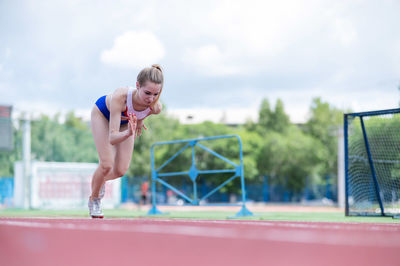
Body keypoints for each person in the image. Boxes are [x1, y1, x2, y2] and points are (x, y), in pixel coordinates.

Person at [88, 64, 164, 218]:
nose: (151, 99)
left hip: (126, 123)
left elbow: (143, 113)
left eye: (156, 94)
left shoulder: (155, 107)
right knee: (107, 164)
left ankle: (99, 180)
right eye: (147, 93)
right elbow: (113, 138)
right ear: (137, 86)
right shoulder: (121, 97)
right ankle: (94, 199)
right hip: (103, 115)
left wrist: (140, 122)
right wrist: (129, 132)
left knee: (120, 171)